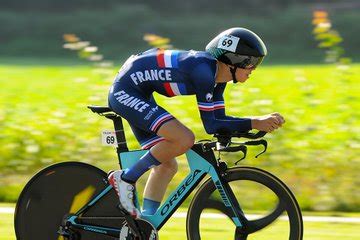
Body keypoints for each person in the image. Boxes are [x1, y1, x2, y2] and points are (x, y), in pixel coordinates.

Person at [107, 27, 285, 218]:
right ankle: (126, 178)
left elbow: (219, 120)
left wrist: (252, 125)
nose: (253, 69)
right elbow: (211, 125)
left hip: (140, 91)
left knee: (167, 166)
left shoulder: (218, 79)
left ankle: (146, 222)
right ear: (233, 61)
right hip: (125, 91)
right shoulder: (204, 72)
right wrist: (254, 122)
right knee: (184, 139)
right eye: (251, 63)